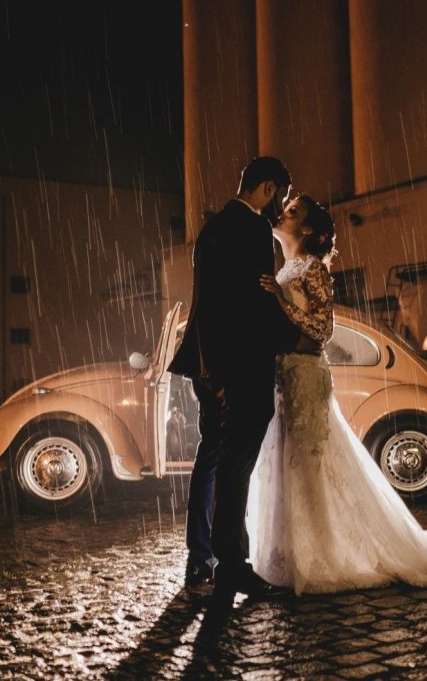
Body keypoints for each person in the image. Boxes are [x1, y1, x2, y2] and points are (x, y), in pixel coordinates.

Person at [247, 195, 427, 595]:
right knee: (286, 462)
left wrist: (279, 303)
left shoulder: (313, 269)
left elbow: (321, 330)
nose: (282, 213)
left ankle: (319, 556)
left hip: (305, 375)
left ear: (309, 231)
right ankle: (288, 552)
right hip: (284, 377)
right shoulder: (287, 269)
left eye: (293, 211)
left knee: (308, 462)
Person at [168, 156, 318, 596]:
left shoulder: (213, 228)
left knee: (212, 457)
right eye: (283, 196)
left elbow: (215, 302)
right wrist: (294, 341)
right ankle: (231, 564)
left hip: (206, 360)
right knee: (237, 464)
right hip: (240, 365)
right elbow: (252, 304)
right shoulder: (251, 229)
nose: (282, 206)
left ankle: (203, 556)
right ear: (269, 188)